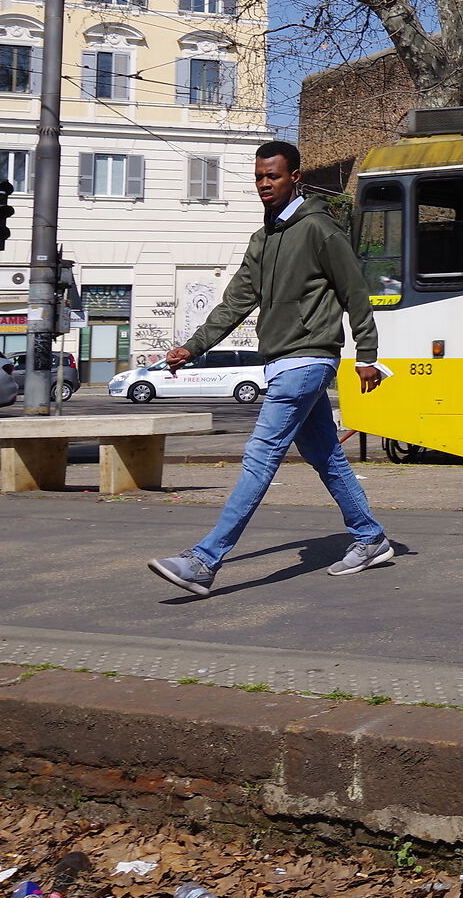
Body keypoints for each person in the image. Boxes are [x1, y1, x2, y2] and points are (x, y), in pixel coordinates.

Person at [147, 141, 392, 597]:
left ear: (295, 176)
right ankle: (371, 538)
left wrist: (367, 356)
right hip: (281, 363)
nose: (264, 184)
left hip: (309, 359)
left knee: (260, 458)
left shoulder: (321, 229)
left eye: (273, 176)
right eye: (259, 177)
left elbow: (356, 292)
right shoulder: (263, 240)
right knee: (327, 458)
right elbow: (236, 301)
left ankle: (204, 561)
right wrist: (193, 347)